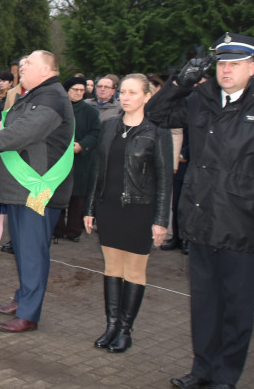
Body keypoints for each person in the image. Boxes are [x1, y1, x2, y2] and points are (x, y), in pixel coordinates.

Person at [145, 33, 254, 389]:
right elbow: (156, 113)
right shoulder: (201, 99)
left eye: (235, 64)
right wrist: (179, 82)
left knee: (236, 311)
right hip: (201, 222)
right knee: (204, 306)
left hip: (244, 226)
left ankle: (226, 377)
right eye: (222, 63)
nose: (227, 70)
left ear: (252, 68)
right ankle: (202, 371)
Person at [0, 50, 74, 333]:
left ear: (47, 69)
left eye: (29, 63)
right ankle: (23, 298)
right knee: (25, 250)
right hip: (22, 187)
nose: (22, 67)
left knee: (32, 252)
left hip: (36, 189)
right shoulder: (37, 94)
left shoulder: (50, 96)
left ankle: (29, 313)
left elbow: (23, 132)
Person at [84, 73, 172, 353]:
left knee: (134, 271)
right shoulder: (109, 126)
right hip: (108, 207)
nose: (125, 97)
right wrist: (90, 208)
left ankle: (125, 330)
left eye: (133, 92)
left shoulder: (157, 132)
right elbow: (97, 171)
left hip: (139, 209)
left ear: (148, 96)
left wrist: (161, 220)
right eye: (123, 91)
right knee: (111, 268)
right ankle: (111, 325)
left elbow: (164, 180)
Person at [56, 76, 102, 242]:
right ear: (66, 90)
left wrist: (82, 145)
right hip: (59, 159)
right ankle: (58, 228)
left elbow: (96, 133)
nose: (79, 93)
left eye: (82, 90)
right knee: (58, 194)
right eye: (75, 90)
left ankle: (74, 230)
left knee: (78, 197)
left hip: (81, 160)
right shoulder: (58, 109)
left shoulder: (91, 112)